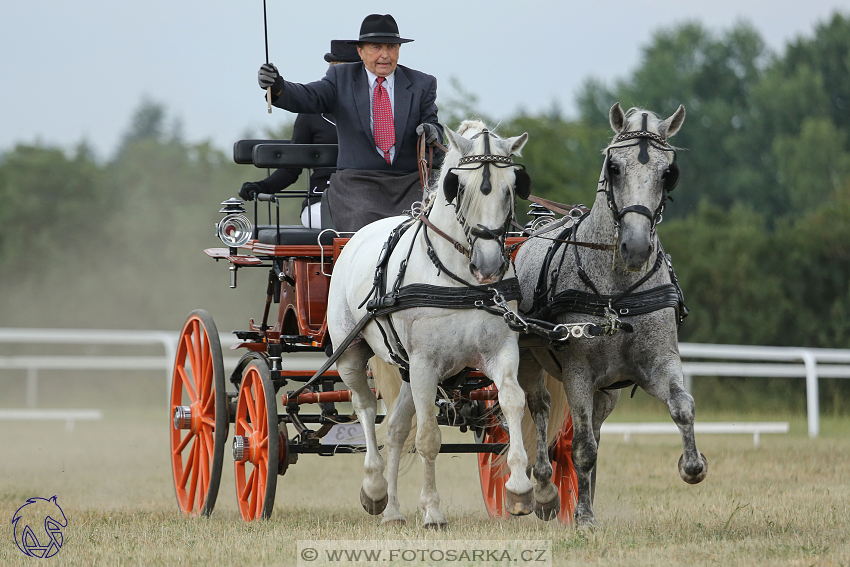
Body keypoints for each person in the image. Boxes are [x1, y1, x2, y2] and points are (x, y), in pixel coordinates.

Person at [257, 14, 443, 232]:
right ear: (360, 51)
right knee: (366, 226)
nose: (385, 55)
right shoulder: (340, 77)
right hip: (358, 183)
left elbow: (433, 124)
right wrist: (279, 86)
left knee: (428, 228)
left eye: (391, 47)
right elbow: (308, 96)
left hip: (409, 182)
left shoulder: (422, 83)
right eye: (376, 47)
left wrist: (431, 132)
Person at [239, 40, 361, 228]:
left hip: (367, 197)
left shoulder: (378, 110)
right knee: (346, 222)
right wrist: (261, 187)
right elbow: (291, 168)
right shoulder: (311, 114)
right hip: (323, 198)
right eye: (337, 70)